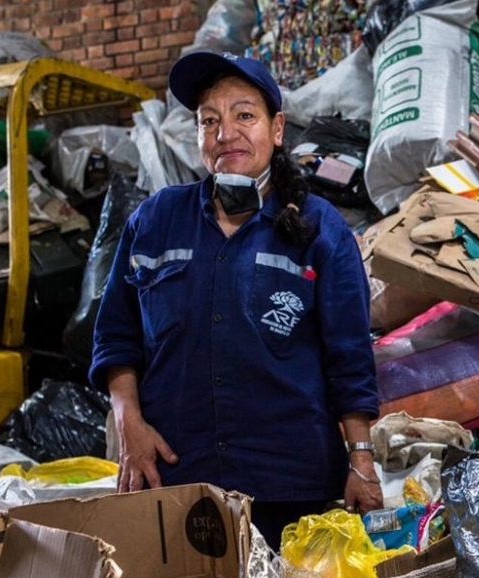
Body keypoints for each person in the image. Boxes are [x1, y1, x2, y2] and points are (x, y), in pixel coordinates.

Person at [88, 51, 383, 552]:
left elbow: (349, 357)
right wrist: (128, 422)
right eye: (209, 120)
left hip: (289, 483)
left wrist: (361, 460)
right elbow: (116, 336)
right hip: (178, 478)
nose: (226, 133)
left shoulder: (319, 227)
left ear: (277, 128)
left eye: (244, 115)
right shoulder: (156, 220)